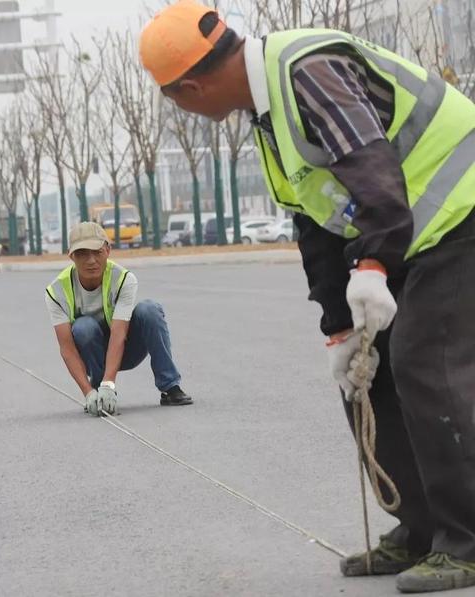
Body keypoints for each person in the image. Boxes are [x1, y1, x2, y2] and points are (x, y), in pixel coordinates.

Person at [139, 2, 475, 593]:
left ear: (189, 88)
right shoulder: (268, 115)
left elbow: (374, 173)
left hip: (460, 213)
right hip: (411, 231)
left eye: (175, 100)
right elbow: (316, 225)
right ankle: (421, 527)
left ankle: (467, 537)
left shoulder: (306, 72)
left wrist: (372, 266)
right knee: (366, 379)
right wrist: (339, 329)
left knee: (425, 361)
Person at [45, 221, 193, 416]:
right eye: (83, 254)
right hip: (92, 356)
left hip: (126, 349)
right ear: (71, 255)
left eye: (97, 252)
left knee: (150, 310)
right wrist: (87, 392)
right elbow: (67, 349)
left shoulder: (123, 279)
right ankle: (98, 394)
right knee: (83, 327)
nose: (91, 260)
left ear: (108, 250)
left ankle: (170, 387)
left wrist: (109, 383)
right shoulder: (57, 291)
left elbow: (119, 333)